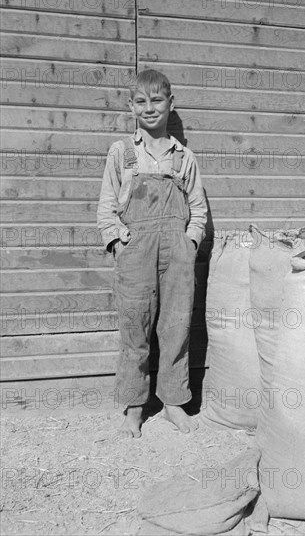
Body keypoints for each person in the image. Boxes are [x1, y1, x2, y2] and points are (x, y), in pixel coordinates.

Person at [97, 69, 207, 437]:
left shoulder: (184, 157)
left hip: (175, 252)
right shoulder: (123, 153)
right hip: (136, 253)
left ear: (170, 104)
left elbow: (198, 209)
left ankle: (174, 403)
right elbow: (106, 205)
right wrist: (117, 241)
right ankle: (133, 407)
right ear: (131, 107)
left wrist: (189, 242)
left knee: (176, 325)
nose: (149, 108)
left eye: (157, 100)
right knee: (135, 327)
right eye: (141, 101)